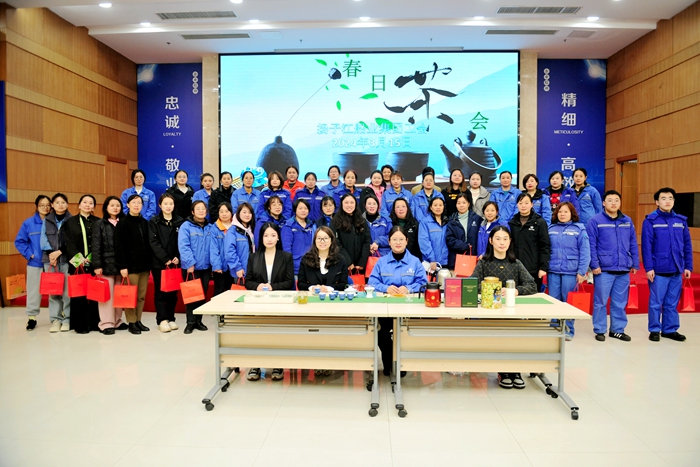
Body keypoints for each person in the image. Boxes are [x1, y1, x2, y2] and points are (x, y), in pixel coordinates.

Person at [470, 226, 537, 389]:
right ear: (491, 241)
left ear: (510, 241)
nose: (502, 242)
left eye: (505, 239)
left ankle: (514, 371)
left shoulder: (516, 264)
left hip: (512, 314)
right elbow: (471, 285)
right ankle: (504, 371)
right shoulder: (483, 263)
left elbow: (532, 285)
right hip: (489, 314)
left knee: (514, 338)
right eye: (498, 239)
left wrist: (516, 291)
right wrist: (491, 289)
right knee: (499, 339)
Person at [368, 226, 428, 376]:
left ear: (407, 241)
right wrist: (386, 288)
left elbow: (424, 283)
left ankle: (401, 363)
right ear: (389, 242)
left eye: (401, 239)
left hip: (408, 309)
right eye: (394, 239)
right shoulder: (381, 262)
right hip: (385, 308)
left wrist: (409, 288)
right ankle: (389, 362)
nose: (398, 242)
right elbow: (372, 282)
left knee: (404, 334)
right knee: (382, 334)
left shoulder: (415, 262)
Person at [587, 190, 639, 342]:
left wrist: (635, 262)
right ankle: (600, 329)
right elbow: (591, 245)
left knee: (620, 302)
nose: (613, 203)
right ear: (603, 203)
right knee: (601, 302)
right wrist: (594, 264)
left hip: (623, 268)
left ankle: (617, 330)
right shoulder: (595, 221)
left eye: (616, 200)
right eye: (610, 200)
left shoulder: (627, 221)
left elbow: (633, 243)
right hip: (603, 269)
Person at [245, 222, 295, 381]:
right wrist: (258, 286)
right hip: (258, 303)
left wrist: (273, 287)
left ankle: (277, 364)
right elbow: (248, 281)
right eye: (266, 235)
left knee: (277, 334)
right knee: (257, 334)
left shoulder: (286, 257)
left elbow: (289, 282)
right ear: (261, 238)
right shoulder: (254, 257)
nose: (269, 239)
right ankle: (255, 364)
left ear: (278, 237)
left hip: (279, 303)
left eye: (273, 235)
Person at [641, 187, 692, 342]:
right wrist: (649, 267)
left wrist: (688, 266)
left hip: (676, 268)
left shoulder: (681, 221)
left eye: (670, 198)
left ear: (674, 201)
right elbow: (646, 246)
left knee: (672, 302)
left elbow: (687, 245)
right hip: (659, 269)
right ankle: (654, 330)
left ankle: (670, 329)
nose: (667, 201)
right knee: (656, 302)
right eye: (663, 198)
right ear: (657, 202)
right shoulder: (650, 221)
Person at [548, 202, 590, 340]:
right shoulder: (551, 228)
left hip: (571, 272)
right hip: (553, 270)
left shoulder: (579, 229)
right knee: (554, 300)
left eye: (566, 212)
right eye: (560, 212)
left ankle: (568, 330)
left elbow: (585, 252)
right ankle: (554, 327)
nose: (562, 214)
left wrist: (582, 271)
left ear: (572, 214)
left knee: (568, 302)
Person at [62, 194, 100, 334]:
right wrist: (79, 260)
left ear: (94, 207)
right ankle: (80, 325)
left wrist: (92, 258)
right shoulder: (70, 222)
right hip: (77, 264)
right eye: (85, 202)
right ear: (79, 205)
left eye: (91, 203)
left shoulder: (98, 222)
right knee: (79, 294)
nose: (87, 205)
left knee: (95, 294)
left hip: (94, 263)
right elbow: (68, 243)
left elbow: (99, 242)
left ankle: (95, 323)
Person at [115, 194, 153, 335]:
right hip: (130, 267)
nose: (137, 205)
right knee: (130, 295)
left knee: (141, 296)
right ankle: (131, 322)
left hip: (144, 266)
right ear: (128, 205)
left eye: (139, 203)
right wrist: (122, 266)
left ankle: (138, 320)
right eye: (134, 202)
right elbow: (119, 247)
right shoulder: (123, 223)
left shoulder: (144, 222)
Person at [148, 193, 184, 333]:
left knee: (173, 293)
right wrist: (165, 259)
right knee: (160, 292)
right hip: (159, 263)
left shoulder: (179, 221)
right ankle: (162, 320)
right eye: (165, 204)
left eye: (171, 204)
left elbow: (182, 242)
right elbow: (153, 242)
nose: (168, 206)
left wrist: (178, 257)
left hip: (175, 263)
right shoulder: (154, 221)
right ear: (160, 205)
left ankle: (171, 318)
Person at [92, 196, 128, 334]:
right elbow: (96, 246)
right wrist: (97, 265)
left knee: (119, 294)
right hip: (105, 264)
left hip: (121, 264)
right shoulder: (100, 224)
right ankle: (106, 323)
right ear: (106, 207)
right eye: (112, 205)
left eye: (117, 205)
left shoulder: (123, 222)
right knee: (106, 296)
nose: (115, 208)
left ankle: (117, 321)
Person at [15, 195, 51, 331]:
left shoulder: (54, 222)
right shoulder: (28, 223)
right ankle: (32, 318)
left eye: (48, 205)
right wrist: (30, 254)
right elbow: (19, 241)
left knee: (56, 289)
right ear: (36, 206)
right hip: (35, 263)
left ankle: (59, 317)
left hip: (52, 262)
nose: (45, 208)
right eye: (42, 205)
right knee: (33, 291)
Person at [178, 200, 212, 334]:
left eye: (203, 209)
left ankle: (199, 321)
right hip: (191, 267)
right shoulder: (186, 226)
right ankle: (190, 322)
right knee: (192, 295)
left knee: (202, 295)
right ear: (192, 212)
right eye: (198, 209)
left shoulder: (210, 227)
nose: (201, 211)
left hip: (206, 267)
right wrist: (190, 263)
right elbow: (183, 246)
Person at [40, 193, 72, 333]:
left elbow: (72, 241)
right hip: (50, 261)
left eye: (63, 202)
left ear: (67, 204)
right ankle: (55, 320)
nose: (60, 205)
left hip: (66, 260)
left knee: (67, 292)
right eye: (57, 202)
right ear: (52, 205)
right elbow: (43, 239)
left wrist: (59, 252)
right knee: (53, 292)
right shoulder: (46, 220)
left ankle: (67, 319)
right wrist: (51, 254)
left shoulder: (71, 220)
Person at [508, 193, 551, 291]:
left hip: (533, 268)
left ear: (532, 204)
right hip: (515, 267)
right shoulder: (512, 222)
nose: (523, 206)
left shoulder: (539, 222)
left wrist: (543, 267)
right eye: (520, 203)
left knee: (533, 295)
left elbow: (545, 246)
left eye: (526, 203)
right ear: (517, 205)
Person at [297, 226, 349, 292]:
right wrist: (312, 288)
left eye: (325, 238)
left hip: (333, 296)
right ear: (315, 241)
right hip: (313, 296)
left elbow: (344, 284)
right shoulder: (306, 259)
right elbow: (300, 284)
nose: (322, 241)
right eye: (319, 238)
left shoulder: (340, 260)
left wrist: (328, 289)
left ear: (331, 240)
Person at [331, 193, 371, 274]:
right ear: (342, 204)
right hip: (342, 264)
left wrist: (362, 262)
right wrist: (347, 261)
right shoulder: (335, 221)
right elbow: (335, 242)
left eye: (352, 202)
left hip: (359, 266)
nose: (349, 205)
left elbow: (366, 241)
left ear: (355, 204)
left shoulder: (361, 220)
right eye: (346, 202)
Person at [445, 193, 482, 269]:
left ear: (468, 204)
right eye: (459, 203)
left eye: (464, 202)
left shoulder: (477, 219)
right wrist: (464, 246)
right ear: (456, 205)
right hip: (456, 258)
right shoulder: (451, 220)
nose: (461, 205)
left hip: (474, 257)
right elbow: (449, 239)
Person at [281, 198, 316, 276]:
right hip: (295, 267)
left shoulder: (312, 225)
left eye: (305, 208)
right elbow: (286, 248)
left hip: (310, 265)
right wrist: (290, 265)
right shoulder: (288, 226)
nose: (303, 211)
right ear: (295, 210)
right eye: (300, 208)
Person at [225, 202, 256, 284]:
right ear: (238, 214)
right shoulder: (232, 231)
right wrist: (237, 267)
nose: (247, 215)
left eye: (249, 212)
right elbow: (229, 252)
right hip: (240, 271)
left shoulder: (251, 230)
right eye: (244, 212)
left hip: (253, 271)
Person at [208, 202, 235, 296]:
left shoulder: (236, 227)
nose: (224, 214)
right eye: (221, 211)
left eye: (227, 211)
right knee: (218, 292)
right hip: (220, 267)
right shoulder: (214, 228)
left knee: (232, 293)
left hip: (233, 266)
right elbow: (213, 249)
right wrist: (216, 265)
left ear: (231, 212)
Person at [418, 197, 449, 272]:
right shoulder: (425, 222)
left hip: (446, 262)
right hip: (431, 263)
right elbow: (424, 242)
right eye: (435, 205)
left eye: (440, 205)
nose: (438, 207)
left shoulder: (448, 222)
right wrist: (431, 259)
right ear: (431, 207)